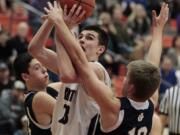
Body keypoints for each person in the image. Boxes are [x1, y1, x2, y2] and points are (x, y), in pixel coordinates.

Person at [44, 1, 169, 135]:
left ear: (131, 87)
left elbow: (80, 61)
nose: (124, 80)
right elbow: (152, 65)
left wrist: (60, 23)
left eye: (127, 78)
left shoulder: (114, 107)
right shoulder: (150, 104)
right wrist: (158, 31)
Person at [28, 2, 111, 135]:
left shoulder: (97, 69)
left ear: (100, 49)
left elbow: (67, 75)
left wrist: (61, 25)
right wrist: (51, 20)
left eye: (89, 38)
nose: (82, 40)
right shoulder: (70, 66)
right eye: (80, 37)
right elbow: (35, 49)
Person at [13, 53, 59, 135]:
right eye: (37, 68)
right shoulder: (38, 98)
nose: (44, 70)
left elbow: (74, 80)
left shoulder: (49, 89)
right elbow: (72, 114)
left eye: (43, 65)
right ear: (25, 77)